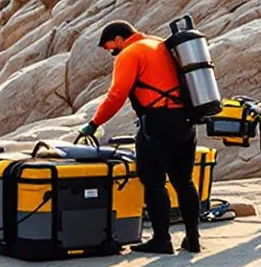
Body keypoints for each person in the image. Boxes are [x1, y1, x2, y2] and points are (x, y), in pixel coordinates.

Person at [77, 19, 200, 253]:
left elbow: (116, 95)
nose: (112, 52)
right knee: (184, 181)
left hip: (158, 122)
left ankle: (162, 240)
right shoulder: (159, 44)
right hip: (186, 119)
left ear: (118, 39)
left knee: (153, 181)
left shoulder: (130, 53)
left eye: (110, 47)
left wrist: (94, 124)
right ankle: (193, 239)